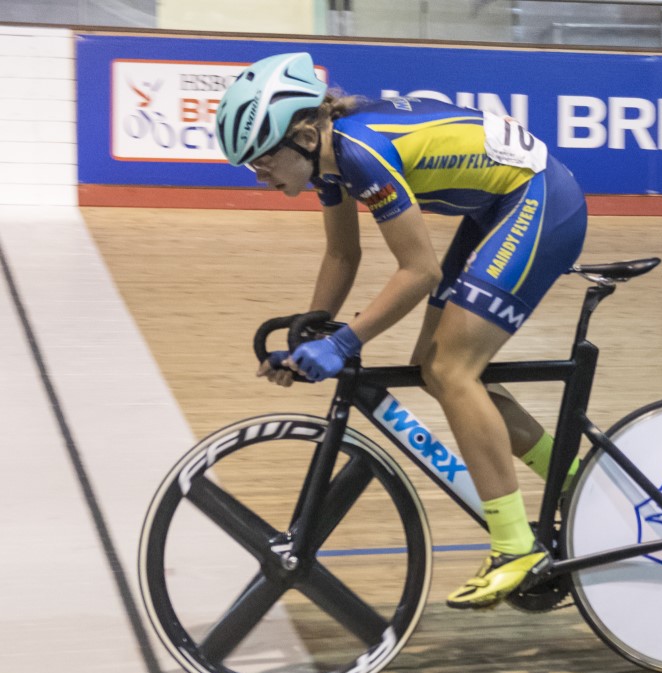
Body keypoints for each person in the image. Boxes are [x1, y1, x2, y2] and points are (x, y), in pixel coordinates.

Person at [214, 52, 588, 608]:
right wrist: (310, 333)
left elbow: (421, 271)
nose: (260, 174)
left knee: (451, 368)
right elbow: (343, 253)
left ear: (302, 135)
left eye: (262, 159)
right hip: (500, 205)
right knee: (438, 372)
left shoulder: (360, 153)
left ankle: (516, 547)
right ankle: (579, 482)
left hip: (540, 200)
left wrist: (344, 343)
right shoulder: (331, 162)